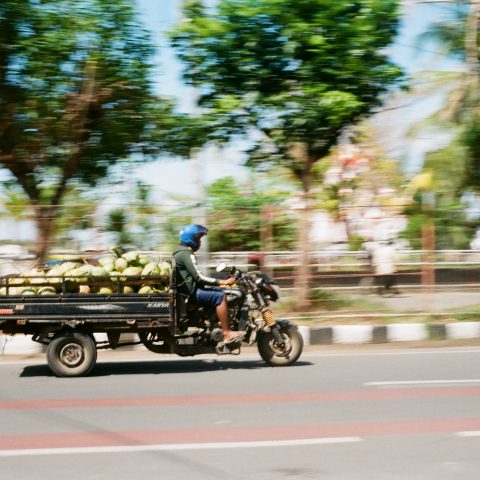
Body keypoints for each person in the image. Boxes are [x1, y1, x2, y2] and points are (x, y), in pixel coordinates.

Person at [172, 224, 245, 344]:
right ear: (191, 238)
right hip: (190, 293)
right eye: (198, 238)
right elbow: (199, 277)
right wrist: (224, 282)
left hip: (186, 291)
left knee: (217, 291)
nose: (200, 242)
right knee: (221, 297)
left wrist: (217, 281)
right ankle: (227, 333)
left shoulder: (179, 251)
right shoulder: (186, 253)